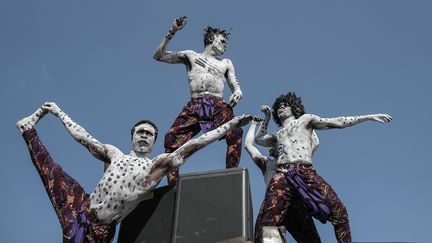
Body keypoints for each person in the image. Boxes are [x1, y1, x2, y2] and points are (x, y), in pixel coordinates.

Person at [17, 102, 251, 242]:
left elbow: (192, 145)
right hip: (80, 208)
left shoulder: (155, 167)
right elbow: (83, 137)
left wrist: (228, 126)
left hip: (100, 231)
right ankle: (28, 130)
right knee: (53, 172)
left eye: (149, 134)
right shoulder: (113, 153)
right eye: (140, 131)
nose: (144, 135)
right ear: (132, 136)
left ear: (153, 141)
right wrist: (59, 113)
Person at [253, 92, 392, 243]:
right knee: (266, 218)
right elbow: (259, 139)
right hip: (282, 175)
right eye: (278, 106)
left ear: (293, 107)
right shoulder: (278, 134)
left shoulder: (306, 120)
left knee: (340, 211)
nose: (281, 108)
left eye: (285, 105)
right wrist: (266, 118)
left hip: (305, 172)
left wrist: (367, 117)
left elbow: (337, 122)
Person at [153, 17, 243, 184]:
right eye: (222, 40)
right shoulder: (191, 56)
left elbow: (234, 83)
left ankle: (231, 176)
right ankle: (174, 185)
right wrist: (172, 32)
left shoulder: (225, 63)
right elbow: (158, 56)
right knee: (172, 138)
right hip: (196, 103)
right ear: (211, 38)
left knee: (235, 132)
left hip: (217, 104)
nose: (225, 44)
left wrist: (237, 92)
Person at [245, 117, 321, 243]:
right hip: (274, 202)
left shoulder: (296, 158)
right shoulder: (266, 163)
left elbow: (315, 143)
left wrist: (303, 122)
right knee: (267, 237)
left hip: (295, 202)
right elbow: (248, 145)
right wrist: (254, 124)